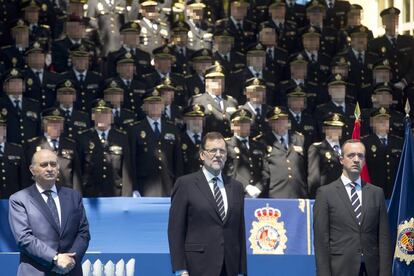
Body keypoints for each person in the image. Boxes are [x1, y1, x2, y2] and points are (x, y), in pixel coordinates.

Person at [168, 131, 247, 276]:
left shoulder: (236, 187)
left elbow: (240, 232)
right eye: (212, 150)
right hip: (197, 266)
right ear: (202, 155)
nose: (218, 155)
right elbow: (175, 230)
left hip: (230, 267)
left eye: (222, 151)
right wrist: (180, 269)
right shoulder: (185, 184)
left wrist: (242, 271)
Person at [313, 139, 392, 276]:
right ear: (341, 159)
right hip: (340, 268)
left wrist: (385, 273)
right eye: (351, 155)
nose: (356, 159)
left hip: (371, 269)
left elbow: (384, 238)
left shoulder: (376, 193)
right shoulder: (325, 193)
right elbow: (321, 241)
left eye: (360, 156)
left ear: (365, 161)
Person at [8, 149, 90, 275]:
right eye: (44, 165)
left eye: (53, 164)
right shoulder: (19, 199)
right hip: (36, 271)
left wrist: (71, 260)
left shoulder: (74, 196)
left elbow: (83, 233)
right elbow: (24, 238)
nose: (49, 168)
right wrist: (55, 258)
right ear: (32, 169)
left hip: (70, 271)